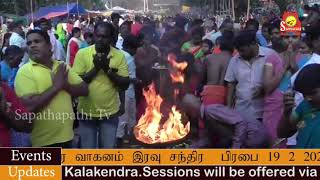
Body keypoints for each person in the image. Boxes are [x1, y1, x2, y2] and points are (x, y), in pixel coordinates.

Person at [14, 29, 88, 147]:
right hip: (43, 143)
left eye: (37, 41)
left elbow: (84, 90)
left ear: (49, 46)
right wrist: (56, 87)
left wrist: (65, 85)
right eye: (29, 43)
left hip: (68, 136)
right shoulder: (24, 72)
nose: (32, 45)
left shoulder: (61, 66)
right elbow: (29, 106)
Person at [72, 22, 129, 148]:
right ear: (93, 36)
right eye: (97, 36)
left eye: (104, 36)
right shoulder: (82, 54)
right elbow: (76, 83)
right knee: (88, 153)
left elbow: (124, 84)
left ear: (111, 38)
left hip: (110, 113)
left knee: (107, 153)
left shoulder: (119, 56)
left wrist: (108, 70)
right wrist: (96, 69)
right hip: (86, 112)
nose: (100, 39)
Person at [225, 30, 277, 122]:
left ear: (253, 44)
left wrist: (263, 88)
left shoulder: (270, 55)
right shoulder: (235, 60)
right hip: (242, 111)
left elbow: (278, 78)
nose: (240, 54)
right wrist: (229, 108)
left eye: (242, 50)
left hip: (265, 111)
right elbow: (231, 84)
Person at [182, 94, 269, 148]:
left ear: (191, 110)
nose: (186, 115)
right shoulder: (206, 115)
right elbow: (212, 138)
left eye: (186, 112)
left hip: (255, 137)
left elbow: (240, 122)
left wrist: (235, 148)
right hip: (251, 138)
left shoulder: (210, 111)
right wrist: (194, 147)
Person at [279, 64, 320, 148]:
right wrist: (287, 113)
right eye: (304, 94)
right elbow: (282, 133)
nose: (307, 98)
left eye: (312, 93)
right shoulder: (305, 105)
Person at [116, 35, 140, 147]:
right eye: (135, 49)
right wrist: (135, 80)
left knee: (130, 116)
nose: (136, 51)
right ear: (130, 47)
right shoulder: (124, 56)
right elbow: (120, 76)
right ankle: (120, 141)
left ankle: (130, 138)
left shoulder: (123, 55)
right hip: (124, 91)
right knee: (123, 117)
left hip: (129, 91)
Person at [202, 33, 234, 106]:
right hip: (227, 94)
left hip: (209, 92)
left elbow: (202, 78)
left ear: (219, 46)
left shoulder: (209, 58)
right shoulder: (234, 60)